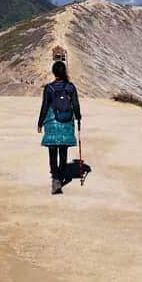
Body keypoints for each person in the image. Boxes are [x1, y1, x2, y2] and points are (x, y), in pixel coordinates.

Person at [37, 60, 82, 195]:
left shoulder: (49, 88)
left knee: (52, 151)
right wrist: (78, 118)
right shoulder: (70, 87)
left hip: (52, 121)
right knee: (63, 151)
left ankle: (55, 180)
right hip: (67, 121)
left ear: (53, 72)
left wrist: (40, 122)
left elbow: (45, 107)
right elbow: (75, 105)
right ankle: (61, 175)